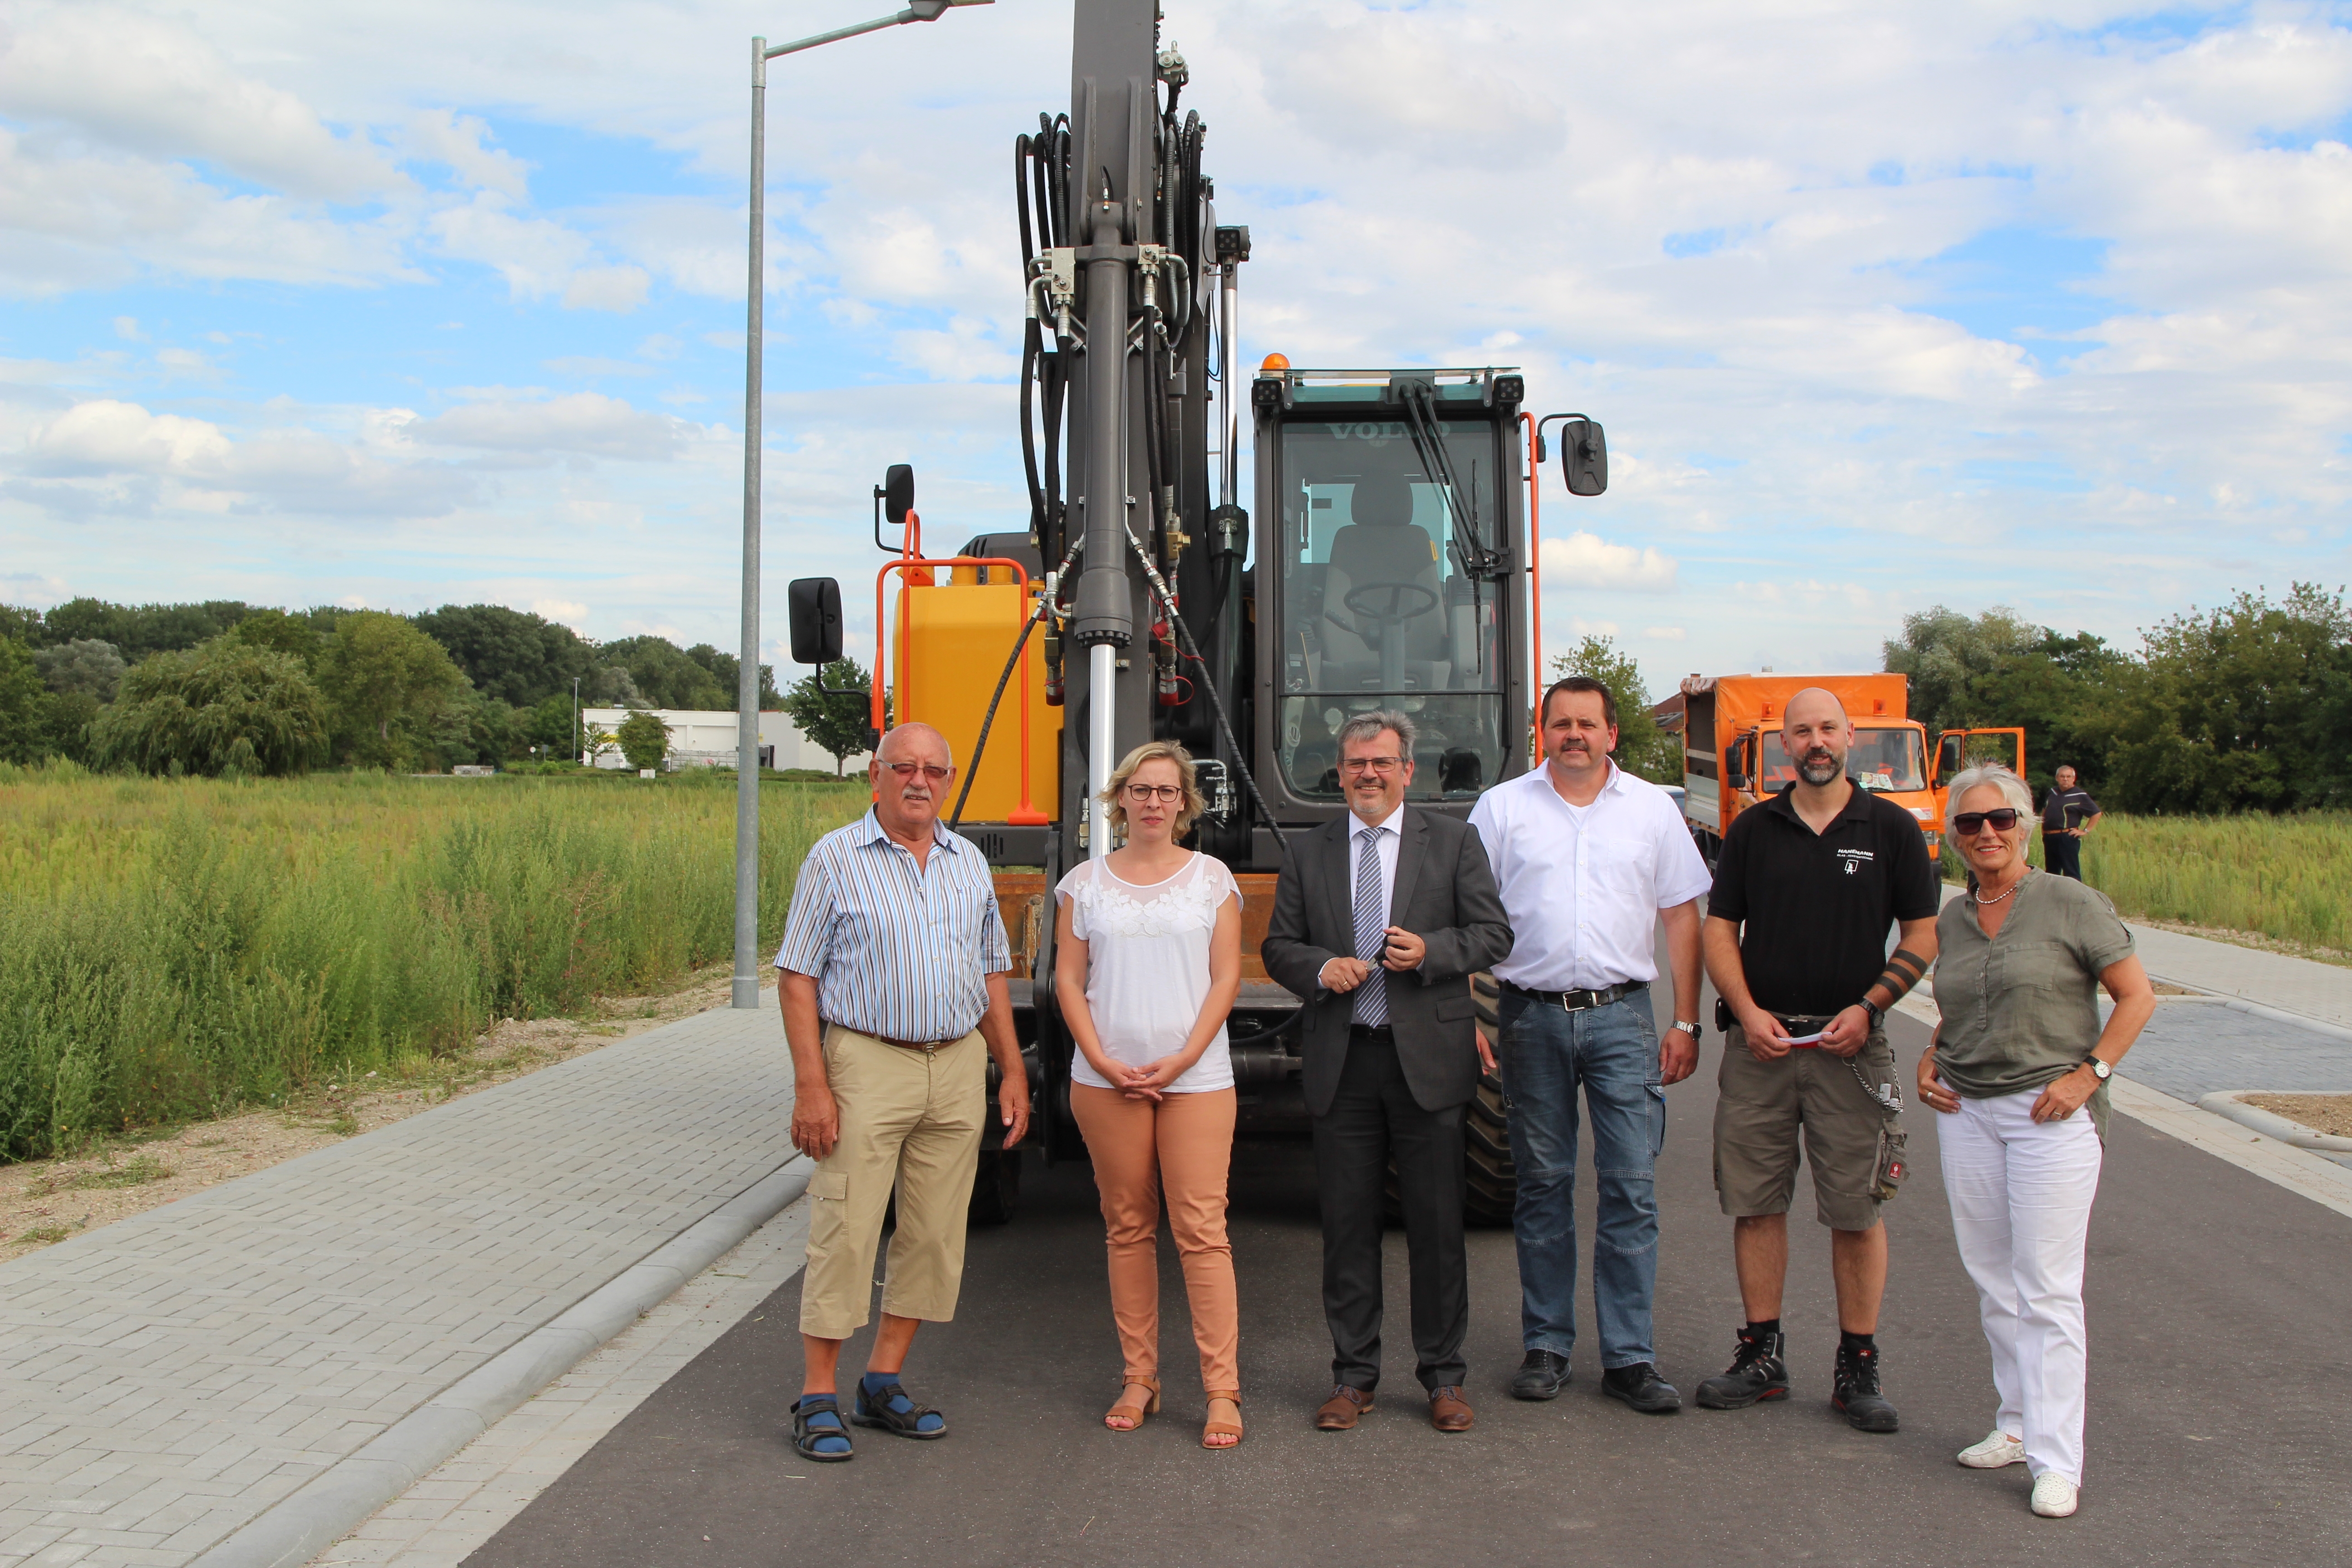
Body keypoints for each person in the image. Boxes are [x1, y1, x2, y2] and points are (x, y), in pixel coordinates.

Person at [773, 722, 1032, 1463]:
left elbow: (990, 973)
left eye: (933, 770)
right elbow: (797, 977)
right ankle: (817, 1393)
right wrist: (812, 1085)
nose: (919, 781)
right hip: (867, 1062)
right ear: (874, 775)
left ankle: (881, 1380)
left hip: (954, 1066)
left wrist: (1010, 1068)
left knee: (932, 1234)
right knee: (847, 1228)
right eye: (904, 768)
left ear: (948, 780)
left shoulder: (966, 862)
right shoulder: (834, 859)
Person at [1261, 711, 1514, 1435]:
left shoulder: (1455, 842)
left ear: (1409, 770)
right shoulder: (1309, 852)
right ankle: (1353, 1377)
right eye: (1354, 763)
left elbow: (1495, 933)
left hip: (1427, 1064)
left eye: (1382, 762)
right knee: (1347, 1228)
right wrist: (1319, 968)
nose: (1368, 773)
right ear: (1337, 774)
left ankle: (1443, 1376)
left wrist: (1430, 952)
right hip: (1345, 1061)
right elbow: (1280, 947)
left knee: (1437, 1227)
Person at [1467, 676, 1712, 1414]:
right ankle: (1545, 1345)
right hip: (1527, 1017)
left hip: (1621, 1018)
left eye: (1587, 723)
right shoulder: (1501, 809)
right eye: (1560, 723)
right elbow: (1469, 917)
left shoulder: (1650, 812)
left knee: (1628, 1187)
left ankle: (1629, 1358)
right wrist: (1472, 1016)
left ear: (1611, 733)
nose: (1573, 734)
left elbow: (1679, 915)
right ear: (1543, 731)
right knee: (1540, 1185)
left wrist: (1687, 1020)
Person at [1698, 686, 1939, 1432]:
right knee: (1754, 1201)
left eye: (1826, 728)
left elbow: (1921, 937)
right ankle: (1759, 1355)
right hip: (1760, 1047)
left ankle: (1855, 1365)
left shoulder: (1890, 828)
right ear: (1781, 744)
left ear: (1849, 738)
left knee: (1854, 1208)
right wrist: (1744, 1012)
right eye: (1799, 731)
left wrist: (1868, 1007)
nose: (1813, 741)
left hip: (1850, 1050)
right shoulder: (1751, 831)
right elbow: (1717, 931)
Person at [1921, 765, 2155, 1519]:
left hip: (2048, 1112)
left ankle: (2057, 1461)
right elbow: (1960, 1003)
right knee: (1992, 1277)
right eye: (1968, 823)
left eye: (1999, 819)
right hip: (1966, 1110)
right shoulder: (1953, 917)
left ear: (2025, 822)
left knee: (2046, 1288)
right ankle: (2014, 1425)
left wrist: (2088, 1075)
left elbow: (2134, 996)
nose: (1984, 833)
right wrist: (1931, 1052)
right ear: (1953, 835)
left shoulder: (2069, 902)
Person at [1054, 741, 1247, 1450]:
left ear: (1185, 803)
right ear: (1120, 799)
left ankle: (1221, 1389)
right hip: (1106, 1084)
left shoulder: (1213, 879)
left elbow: (1225, 978)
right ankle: (1141, 1377)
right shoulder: (1083, 884)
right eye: (1141, 790)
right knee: (1128, 1228)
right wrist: (1101, 1058)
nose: (1154, 802)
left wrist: (1184, 1057)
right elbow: (1069, 981)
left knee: (1202, 1231)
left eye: (1167, 791)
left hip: (1194, 1080)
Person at [2039, 765, 2102, 881]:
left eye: (2069, 777)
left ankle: (2075, 898)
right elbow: (2045, 809)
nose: (2065, 779)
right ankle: (2054, 898)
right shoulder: (2052, 792)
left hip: (2067, 837)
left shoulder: (2079, 795)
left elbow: (2096, 813)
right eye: (2062, 776)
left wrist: (2085, 831)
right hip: (2050, 837)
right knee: (2051, 873)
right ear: (2057, 778)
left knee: (2071, 872)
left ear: (2074, 778)